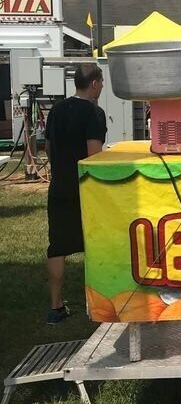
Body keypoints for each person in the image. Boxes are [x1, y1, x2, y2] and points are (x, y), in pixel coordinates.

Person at [45, 62, 107, 324]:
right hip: (85, 189)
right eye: (101, 83)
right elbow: (93, 155)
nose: (102, 87)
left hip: (59, 186)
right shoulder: (94, 113)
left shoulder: (57, 110)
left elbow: (48, 148)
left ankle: (55, 307)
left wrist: (59, 169)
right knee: (95, 244)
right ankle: (98, 303)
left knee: (57, 247)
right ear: (94, 83)